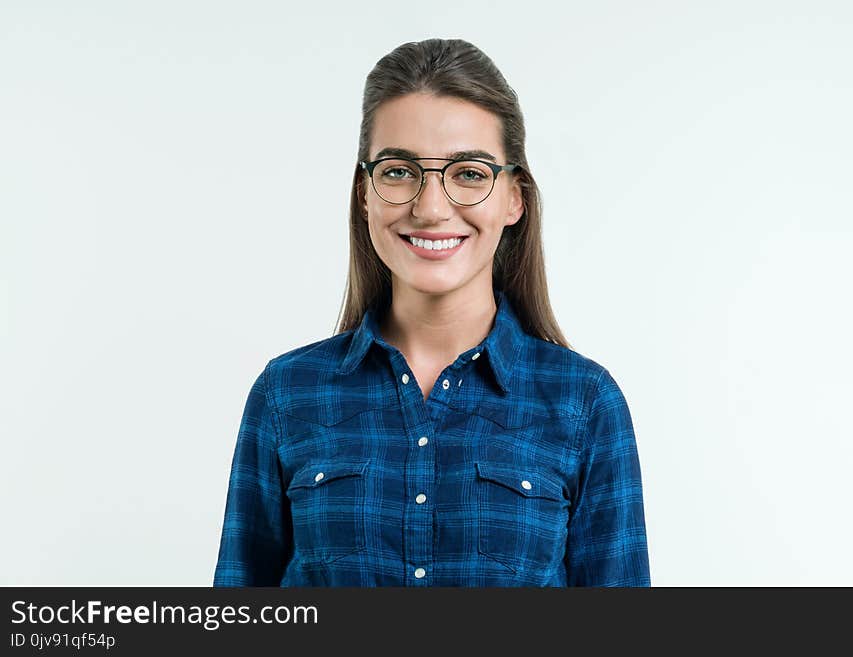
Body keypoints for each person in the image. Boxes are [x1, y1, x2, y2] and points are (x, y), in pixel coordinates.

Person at [213, 38, 650, 587]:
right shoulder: (287, 393)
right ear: (364, 193)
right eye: (399, 171)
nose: (431, 207)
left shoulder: (584, 403)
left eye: (469, 173)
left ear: (514, 197)